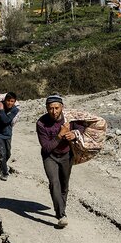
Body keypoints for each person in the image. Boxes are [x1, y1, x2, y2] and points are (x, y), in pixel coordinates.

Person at [36, 94, 85, 228]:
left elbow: (81, 126)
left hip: (66, 155)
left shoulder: (69, 119)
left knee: (64, 185)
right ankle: (61, 214)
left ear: (62, 107)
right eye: (51, 108)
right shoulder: (41, 123)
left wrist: (74, 134)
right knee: (54, 183)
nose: (54, 111)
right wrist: (60, 134)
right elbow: (46, 148)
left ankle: (61, 207)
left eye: (57, 108)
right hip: (49, 156)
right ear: (46, 108)